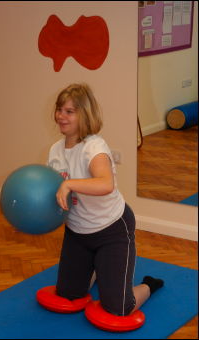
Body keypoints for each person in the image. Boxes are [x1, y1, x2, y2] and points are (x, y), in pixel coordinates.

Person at [47, 83, 163, 316]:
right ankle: (98, 268)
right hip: (77, 234)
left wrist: (69, 184)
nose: (61, 116)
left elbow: (105, 184)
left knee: (120, 308)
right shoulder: (55, 151)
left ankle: (149, 284)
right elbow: (55, 192)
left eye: (69, 111)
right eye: (60, 109)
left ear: (84, 114)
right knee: (69, 295)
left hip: (111, 230)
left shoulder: (94, 147)